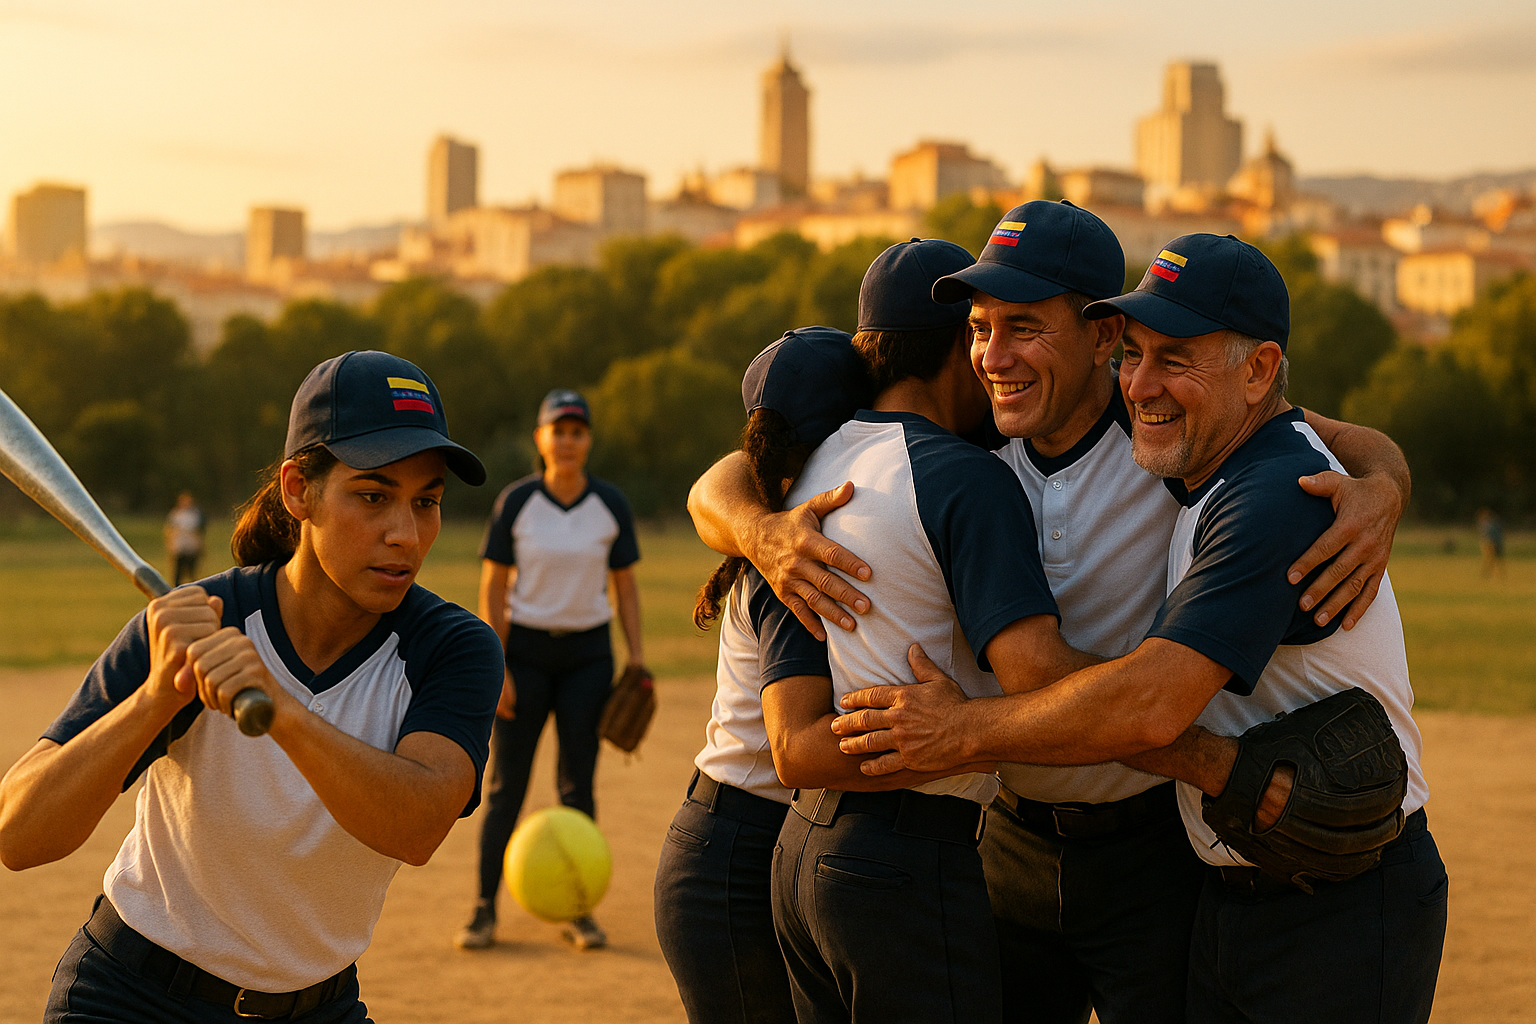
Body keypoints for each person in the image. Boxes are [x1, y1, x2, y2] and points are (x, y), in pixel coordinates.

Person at [690, 203, 1412, 1024]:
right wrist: (760, 530)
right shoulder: (973, 444)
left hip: (1149, 854)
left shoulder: (1161, 430)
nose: (992, 358)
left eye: (1024, 326)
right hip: (1006, 846)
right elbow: (725, 471)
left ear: (1104, 337)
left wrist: (1386, 485)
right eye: (978, 328)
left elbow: (1308, 428)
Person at [0, 350, 503, 1024]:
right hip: (133, 998)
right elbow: (18, 834)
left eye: (427, 502)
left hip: (318, 1008)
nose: (405, 535)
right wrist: (158, 697)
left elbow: (416, 828)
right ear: (300, 491)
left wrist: (280, 709)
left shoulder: (452, 647)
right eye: (373, 496)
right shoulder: (194, 623)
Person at [654, 327, 874, 1024]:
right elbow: (795, 747)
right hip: (733, 853)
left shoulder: (778, 522)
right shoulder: (792, 552)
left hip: (745, 836)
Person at [456, 388, 643, 953]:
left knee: (576, 783)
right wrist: (498, 664)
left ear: (588, 440)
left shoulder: (608, 503)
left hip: (588, 655)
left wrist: (637, 659)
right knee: (506, 785)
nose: (566, 440)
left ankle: (578, 910)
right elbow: (492, 585)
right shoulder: (517, 502)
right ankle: (484, 908)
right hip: (526, 656)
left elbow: (626, 587)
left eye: (576, 431)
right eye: (556, 430)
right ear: (540, 438)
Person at [163, 491, 206, 586]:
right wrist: (170, 545)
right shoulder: (176, 514)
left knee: (192, 573)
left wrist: (199, 546)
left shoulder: (195, 515)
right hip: (179, 547)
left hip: (191, 548)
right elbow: (169, 530)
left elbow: (199, 531)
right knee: (177, 574)